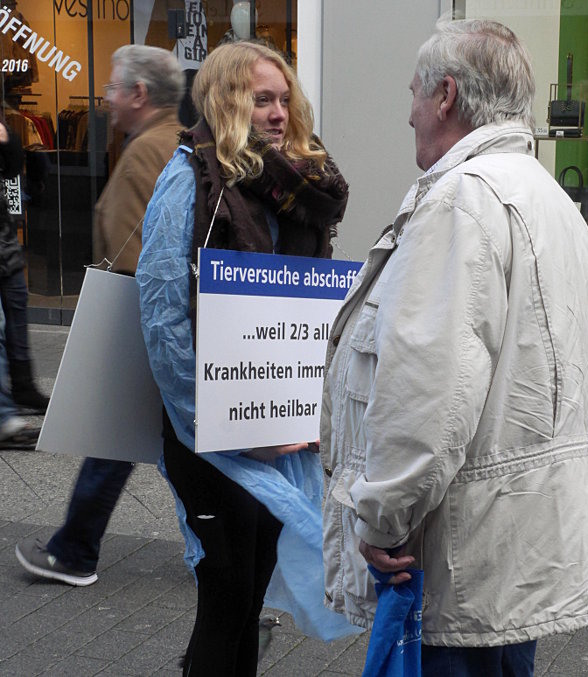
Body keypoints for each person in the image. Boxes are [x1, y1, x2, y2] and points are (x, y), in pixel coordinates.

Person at [320, 18, 588, 676]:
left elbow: (428, 392)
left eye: (415, 94)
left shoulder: (462, 202)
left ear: (446, 95)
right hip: (516, 550)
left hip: (460, 556)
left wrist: (383, 518)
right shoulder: (548, 197)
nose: (408, 113)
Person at [136, 42, 349, 676]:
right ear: (228, 101)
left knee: (252, 589)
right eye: (263, 99)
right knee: (225, 596)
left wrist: (304, 408)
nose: (280, 113)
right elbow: (163, 315)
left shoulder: (289, 188)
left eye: (285, 99)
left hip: (275, 430)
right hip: (209, 433)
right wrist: (213, 426)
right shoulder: (189, 178)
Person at [15, 45, 184, 586]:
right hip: (163, 322)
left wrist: (122, 332)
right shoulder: (172, 143)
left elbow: (144, 255)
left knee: (115, 441)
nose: (106, 100)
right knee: (173, 447)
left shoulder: (146, 152)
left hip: (143, 320)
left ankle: (75, 551)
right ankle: (228, 550)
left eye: (112, 89)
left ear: (139, 94)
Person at [0, 120, 49, 412]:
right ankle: (6, 410)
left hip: (5, 242)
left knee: (17, 309)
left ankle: (23, 387)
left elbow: (12, 167)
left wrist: (6, 140)